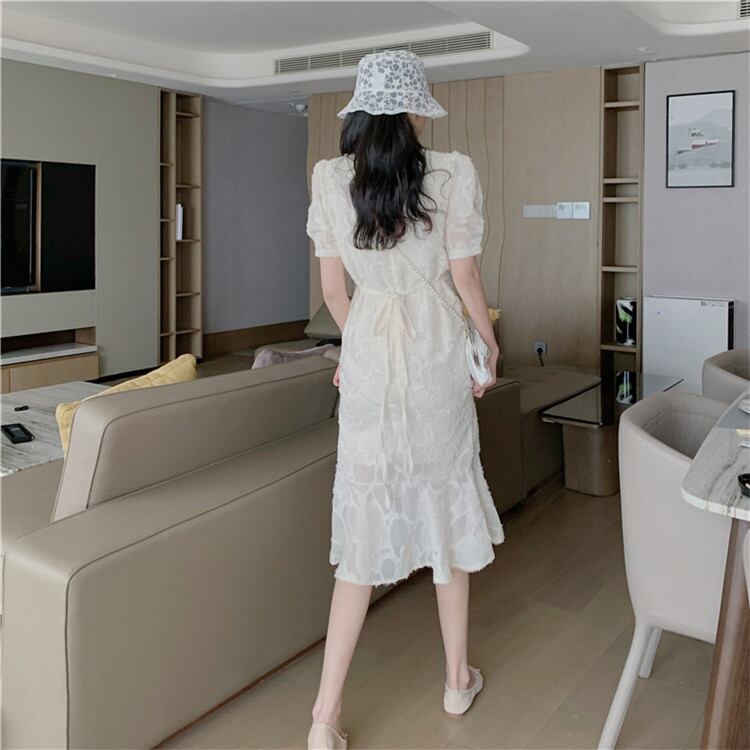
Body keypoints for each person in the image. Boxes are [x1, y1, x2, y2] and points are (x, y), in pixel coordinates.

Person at [305, 49, 504, 750]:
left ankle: (324, 717)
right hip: (435, 357)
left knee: (360, 532)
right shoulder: (451, 172)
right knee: (446, 510)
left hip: (369, 358)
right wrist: (487, 345)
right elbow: (466, 277)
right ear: (417, 110)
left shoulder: (329, 178)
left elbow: (334, 291)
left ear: (359, 112)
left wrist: (361, 350)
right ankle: (455, 681)